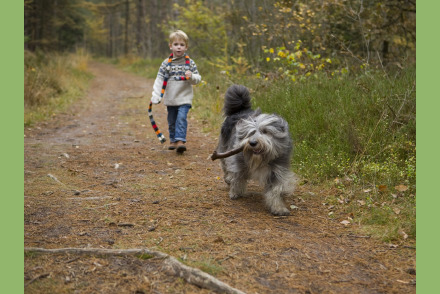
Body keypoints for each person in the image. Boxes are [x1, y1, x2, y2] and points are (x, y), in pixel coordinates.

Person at [151, 30, 201, 153]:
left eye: (182, 45)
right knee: (172, 119)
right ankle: (173, 139)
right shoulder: (165, 64)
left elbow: (198, 79)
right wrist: (156, 95)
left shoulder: (190, 63)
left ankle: (180, 141)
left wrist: (192, 76)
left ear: (186, 47)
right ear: (171, 46)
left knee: (181, 118)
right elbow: (159, 79)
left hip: (184, 98)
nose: (179, 47)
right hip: (171, 98)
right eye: (176, 44)